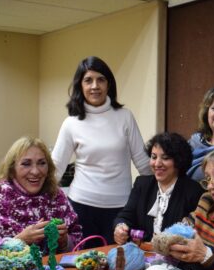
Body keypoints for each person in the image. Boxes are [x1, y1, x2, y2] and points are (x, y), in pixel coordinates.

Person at [52, 56, 151, 247]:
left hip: (121, 210)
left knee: (118, 262)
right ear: (80, 85)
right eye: (88, 80)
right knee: (83, 262)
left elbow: (143, 163)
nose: (95, 86)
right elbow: (55, 167)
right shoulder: (71, 123)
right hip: (81, 207)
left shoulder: (125, 117)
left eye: (101, 79)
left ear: (109, 84)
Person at [0, 137, 82, 268]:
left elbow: (78, 246)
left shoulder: (57, 197)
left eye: (42, 163)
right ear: (12, 169)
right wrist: (19, 241)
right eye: (26, 164)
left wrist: (65, 241)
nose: (35, 171)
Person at [113, 132, 204, 243]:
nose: (157, 164)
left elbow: (195, 233)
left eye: (165, 158)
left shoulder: (193, 191)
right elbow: (125, 216)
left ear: (179, 161)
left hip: (176, 252)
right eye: (153, 157)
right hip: (142, 251)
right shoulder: (142, 184)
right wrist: (121, 227)